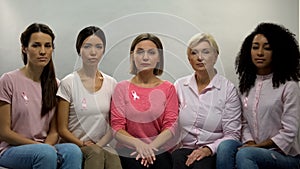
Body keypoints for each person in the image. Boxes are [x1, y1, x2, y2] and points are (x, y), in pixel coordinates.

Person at [216, 22, 300, 169]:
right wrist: (249, 142)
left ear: (278, 52)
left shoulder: (289, 85)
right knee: (225, 147)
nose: (260, 53)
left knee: (246, 155)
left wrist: (258, 147)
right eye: (255, 47)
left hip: (285, 156)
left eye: (267, 48)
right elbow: (244, 122)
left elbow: (289, 132)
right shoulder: (247, 84)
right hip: (253, 147)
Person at [0, 23, 82, 169]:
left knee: (73, 151)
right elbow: (4, 132)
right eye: (36, 45)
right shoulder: (8, 80)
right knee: (45, 153)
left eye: (48, 46)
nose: (43, 51)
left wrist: (47, 147)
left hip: (45, 147)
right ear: (24, 48)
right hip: (10, 149)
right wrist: (42, 148)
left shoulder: (56, 84)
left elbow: (54, 131)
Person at [172, 33, 242, 169]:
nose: (200, 58)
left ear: (215, 56)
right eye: (194, 53)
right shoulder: (179, 86)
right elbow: (171, 123)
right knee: (176, 159)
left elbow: (232, 134)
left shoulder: (228, 89)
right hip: (184, 149)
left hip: (213, 151)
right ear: (189, 58)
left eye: (205, 52)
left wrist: (208, 149)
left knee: (201, 165)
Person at [56, 26, 122, 169]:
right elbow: (62, 129)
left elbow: (114, 125)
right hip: (74, 145)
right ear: (79, 49)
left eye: (98, 47)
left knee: (113, 157)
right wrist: (83, 144)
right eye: (87, 47)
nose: (93, 52)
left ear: (103, 50)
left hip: (102, 144)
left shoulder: (112, 84)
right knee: (95, 154)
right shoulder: (68, 82)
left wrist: (99, 145)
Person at [110, 33, 179, 169]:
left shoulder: (169, 88)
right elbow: (117, 128)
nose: (145, 57)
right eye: (140, 52)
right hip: (128, 149)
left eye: (151, 53)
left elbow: (171, 126)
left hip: (158, 149)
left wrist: (150, 148)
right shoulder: (121, 88)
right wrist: (139, 145)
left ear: (159, 57)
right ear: (132, 56)